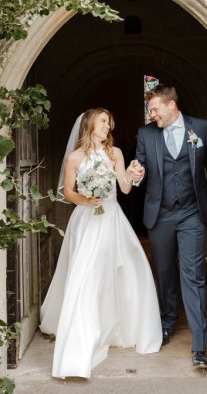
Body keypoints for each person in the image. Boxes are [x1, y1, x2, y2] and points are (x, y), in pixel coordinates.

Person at [39, 108, 162, 379]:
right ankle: (83, 336)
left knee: (126, 270)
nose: (108, 126)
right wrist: (85, 199)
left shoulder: (115, 153)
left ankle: (119, 326)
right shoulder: (75, 157)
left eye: (109, 122)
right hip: (86, 221)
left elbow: (125, 188)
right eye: (103, 121)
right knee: (87, 276)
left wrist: (132, 174)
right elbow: (68, 191)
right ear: (90, 124)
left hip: (112, 219)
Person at [132, 85, 207, 369]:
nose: (153, 115)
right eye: (151, 110)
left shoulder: (200, 128)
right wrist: (136, 174)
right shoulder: (146, 134)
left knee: (193, 275)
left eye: (155, 109)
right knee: (164, 274)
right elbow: (138, 171)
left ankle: (200, 346)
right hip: (160, 214)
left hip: (191, 212)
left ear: (172, 105)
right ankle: (168, 321)